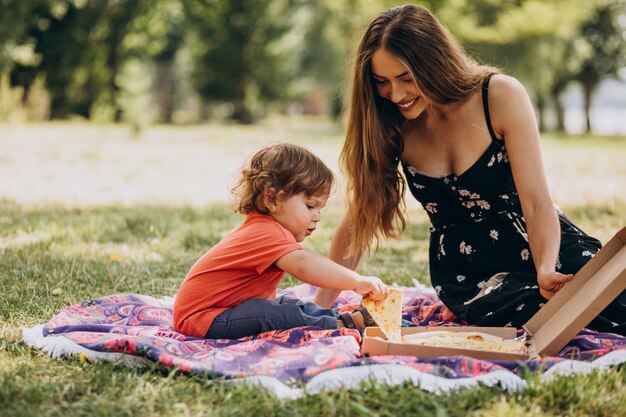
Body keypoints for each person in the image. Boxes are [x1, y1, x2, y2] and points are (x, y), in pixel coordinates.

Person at [314, 4, 625, 335]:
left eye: (407, 78)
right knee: (541, 317)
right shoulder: (389, 123)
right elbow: (361, 217)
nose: (397, 94)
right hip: (469, 273)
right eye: (382, 82)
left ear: (434, 64)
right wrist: (318, 305)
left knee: (607, 295)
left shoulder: (499, 95)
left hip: (541, 242)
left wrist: (545, 268)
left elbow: (535, 202)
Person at [173, 143, 387, 339]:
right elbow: (304, 265)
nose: (317, 217)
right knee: (268, 312)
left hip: (224, 310)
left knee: (288, 304)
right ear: (272, 199)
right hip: (203, 319)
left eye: (319, 209)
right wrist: (356, 281)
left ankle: (340, 317)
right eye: (310, 206)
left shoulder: (266, 228)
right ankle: (341, 324)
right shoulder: (265, 232)